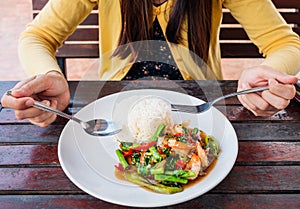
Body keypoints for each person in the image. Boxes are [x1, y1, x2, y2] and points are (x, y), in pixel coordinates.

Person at [1, 0, 300, 127]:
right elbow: (38, 36)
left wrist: (267, 75)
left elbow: (285, 43)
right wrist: (50, 75)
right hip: (111, 108)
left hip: (201, 109)